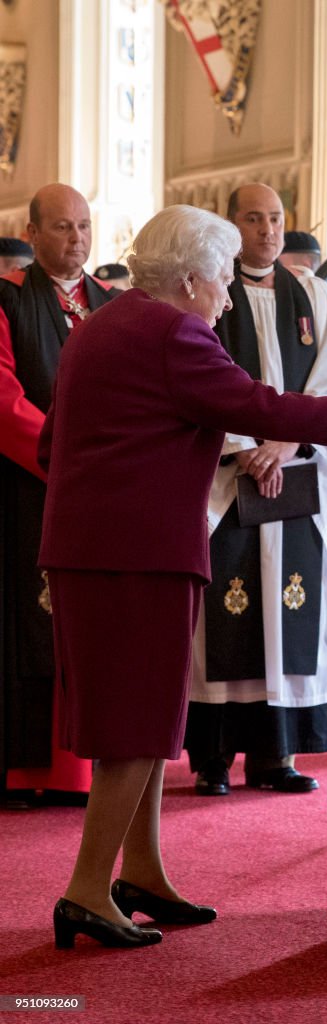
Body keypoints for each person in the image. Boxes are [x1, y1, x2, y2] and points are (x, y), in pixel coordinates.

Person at [38, 203, 327, 949]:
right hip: (137, 553)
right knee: (132, 726)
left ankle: (141, 872)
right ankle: (87, 891)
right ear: (188, 279)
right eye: (220, 279)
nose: (225, 295)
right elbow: (257, 404)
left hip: (100, 547)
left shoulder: (104, 324)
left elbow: (55, 440)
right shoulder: (173, 330)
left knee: (146, 717)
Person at [185, 183, 327, 796]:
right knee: (225, 613)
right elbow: (195, 374)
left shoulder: (311, 293)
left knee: (290, 610)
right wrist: (245, 446)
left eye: (276, 218)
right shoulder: (207, 289)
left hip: (297, 473)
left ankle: (275, 755)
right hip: (228, 476)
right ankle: (213, 758)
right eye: (253, 219)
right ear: (230, 226)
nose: (267, 230)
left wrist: (285, 444)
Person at [0, 184, 116, 805]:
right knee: (28, 623)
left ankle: (77, 768)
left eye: (84, 227)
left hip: (97, 493)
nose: (76, 239)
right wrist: (65, 460)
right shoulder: (8, 299)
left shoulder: (112, 303)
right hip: (26, 489)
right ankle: (22, 770)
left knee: (86, 625)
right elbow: (4, 399)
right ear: (34, 231)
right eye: (64, 227)